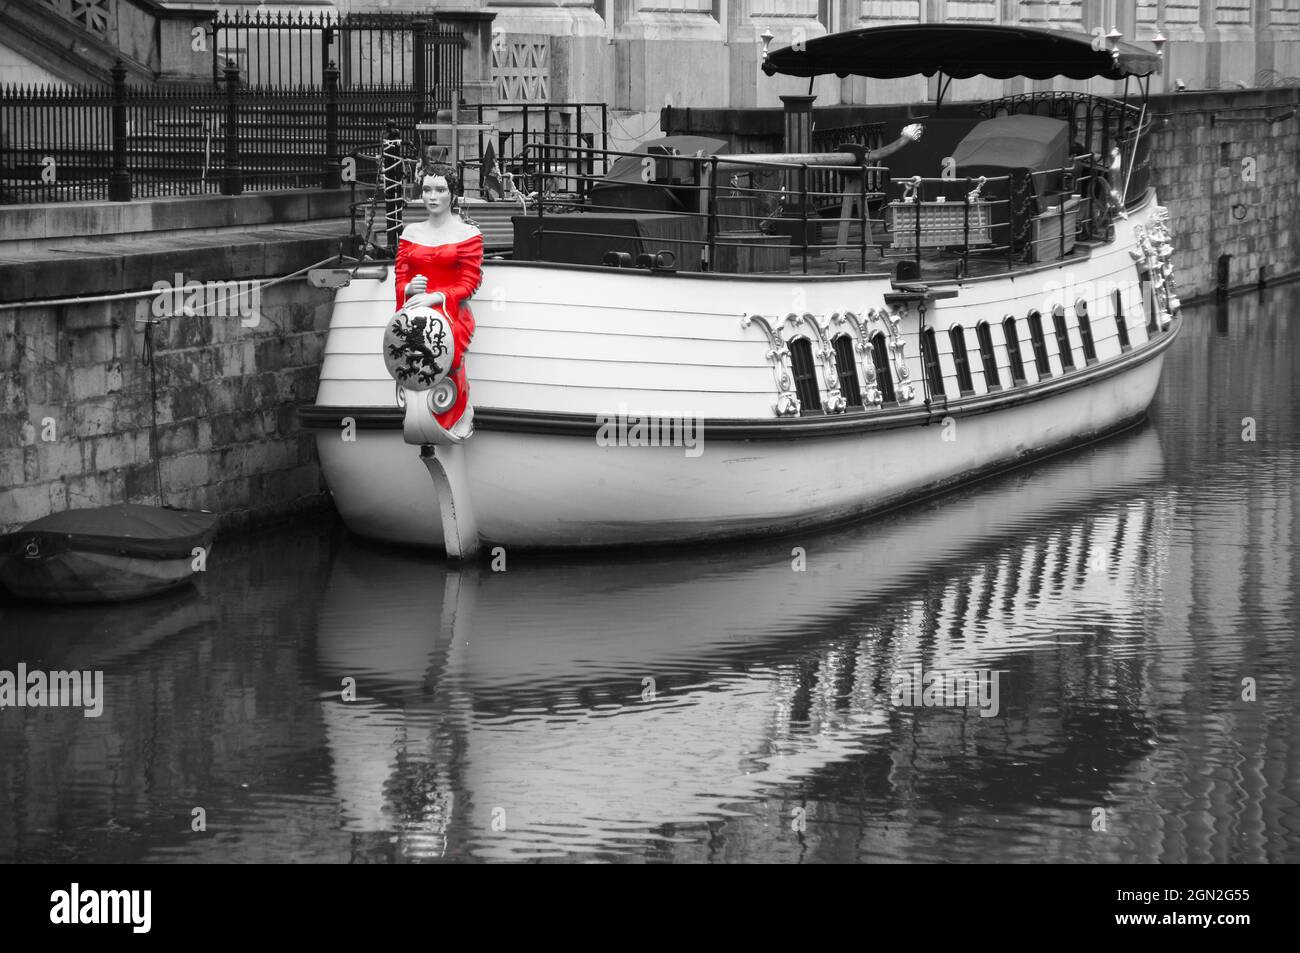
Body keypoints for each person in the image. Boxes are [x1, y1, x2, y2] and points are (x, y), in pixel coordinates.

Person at [395, 162, 483, 431]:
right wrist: (409, 289)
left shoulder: (468, 235)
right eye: (427, 190)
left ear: (452, 194)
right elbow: (400, 277)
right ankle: (420, 416)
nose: (432, 197)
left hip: (450, 313)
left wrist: (437, 298)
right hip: (414, 313)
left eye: (440, 190)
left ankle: (453, 414)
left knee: (448, 355)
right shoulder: (411, 233)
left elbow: (470, 283)